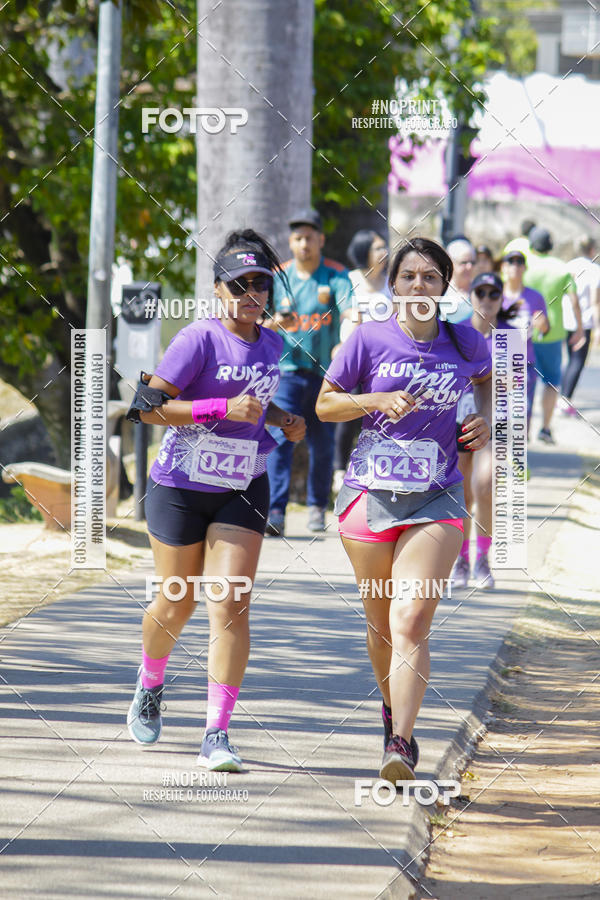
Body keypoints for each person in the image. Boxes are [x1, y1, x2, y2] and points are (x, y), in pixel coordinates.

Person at [126, 229, 305, 771]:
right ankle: (151, 683)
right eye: (240, 283)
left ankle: (217, 733)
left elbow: (254, 405)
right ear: (218, 290)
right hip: (180, 486)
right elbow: (147, 409)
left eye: (260, 283)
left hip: (242, 486)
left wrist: (283, 420)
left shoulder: (274, 343)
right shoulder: (196, 340)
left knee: (228, 605)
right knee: (177, 600)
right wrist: (220, 411)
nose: (251, 293)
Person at [316, 237, 492, 782]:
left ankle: (401, 743)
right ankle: (391, 706)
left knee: (411, 618)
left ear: (445, 286)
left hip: (437, 495)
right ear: (393, 285)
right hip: (370, 496)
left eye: (431, 277)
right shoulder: (368, 340)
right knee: (381, 626)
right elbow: (325, 406)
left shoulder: (466, 343)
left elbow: (491, 387)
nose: (419, 286)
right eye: (409, 276)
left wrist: (484, 420)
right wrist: (374, 400)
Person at [264, 208, 353, 535]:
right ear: (291, 241)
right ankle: (275, 510)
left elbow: (349, 312)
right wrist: (277, 323)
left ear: (320, 239)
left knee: (323, 442)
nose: (304, 244)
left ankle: (317, 507)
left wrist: (342, 344)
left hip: (324, 376)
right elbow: (259, 326)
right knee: (280, 438)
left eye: (309, 238)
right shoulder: (279, 277)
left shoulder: (335, 275)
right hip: (285, 372)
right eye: (298, 238)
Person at [451, 272, 516, 590]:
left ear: (501, 299)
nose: (487, 300)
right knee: (463, 492)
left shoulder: (512, 335)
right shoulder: (457, 333)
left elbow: (518, 386)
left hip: (498, 423)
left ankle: (483, 559)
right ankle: (462, 559)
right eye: (481, 293)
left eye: (494, 294)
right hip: (460, 421)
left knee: (486, 485)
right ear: (471, 296)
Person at [332, 229, 390, 494]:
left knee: (380, 415)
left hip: (385, 360)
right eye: (378, 248)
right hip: (352, 356)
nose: (384, 253)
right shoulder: (349, 280)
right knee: (348, 412)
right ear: (363, 251)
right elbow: (337, 315)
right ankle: (338, 470)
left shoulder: (391, 284)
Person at [525, 227, 584, 444]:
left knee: (523, 383)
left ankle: (525, 429)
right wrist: (579, 329)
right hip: (552, 333)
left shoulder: (524, 266)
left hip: (525, 332)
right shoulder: (561, 268)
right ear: (551, 245)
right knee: (550, 382)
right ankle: (546, 428)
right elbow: (574, 300)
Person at [500, 250, 549, 435]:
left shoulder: (535, 297)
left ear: (525, 268)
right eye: (511, 262)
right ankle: (501, 458)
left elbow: (545, 329)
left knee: (522, 413)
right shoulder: (494, 294)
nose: (515, 266)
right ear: (503, 267)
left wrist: (542, 325)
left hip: (524, 363)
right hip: (498, 363)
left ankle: (521, 458)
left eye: (519, 262)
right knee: (499, 415)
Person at [560, 236, 600, 414]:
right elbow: (595, 302)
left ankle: (563, 398)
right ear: (592, 250)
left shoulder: (569, 266)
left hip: (567, 319)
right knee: (577, 361)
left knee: (570, 359)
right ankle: (565, 400)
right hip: (585, 321)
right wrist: (598, 327)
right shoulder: (594, 270)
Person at [441, 238, 476, 323]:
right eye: (463, 262)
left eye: (472, 262)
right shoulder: (439, 291)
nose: (469, 267)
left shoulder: (482, 292)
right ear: (450, 263)